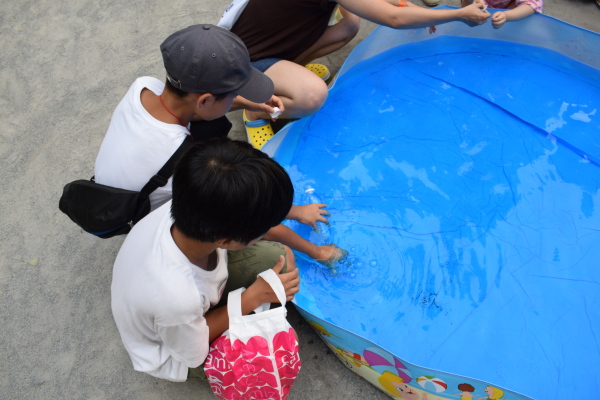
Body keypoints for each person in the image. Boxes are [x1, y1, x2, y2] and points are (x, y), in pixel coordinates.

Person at [93, 24, 345, 264]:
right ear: (204, 101)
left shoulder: (145, 86)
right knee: (241, 221)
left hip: (124, 183)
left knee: (214, 127)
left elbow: (198, 111)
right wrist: (315, 247)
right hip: (147, 212)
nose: (240, 97)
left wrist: (249, 103)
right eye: (235, 94)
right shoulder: (184, 165)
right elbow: (249, 225)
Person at [111, 137, 301, 381]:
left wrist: (315, 251)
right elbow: (193, 352)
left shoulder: (195, 201)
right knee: (273, 354)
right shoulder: (176, 297)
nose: (268, 232)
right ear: (225, 241)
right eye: (261, 231)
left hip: (170, 301)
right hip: (173, 350)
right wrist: (252, 297)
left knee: (281, 257)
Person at [228, 0, 490, 138]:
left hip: (275, 42)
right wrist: (458, 14)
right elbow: (393, 19)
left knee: (349, 24)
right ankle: (254, 110)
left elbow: (387, 6)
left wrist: (407, 6)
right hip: (246, 62)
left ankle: (289, 71)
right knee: (313, 95)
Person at [461, 0, 541, 29]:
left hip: (508, 11)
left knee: (524, 9)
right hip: (479, 8)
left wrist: (507, 15)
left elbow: (532, 4)